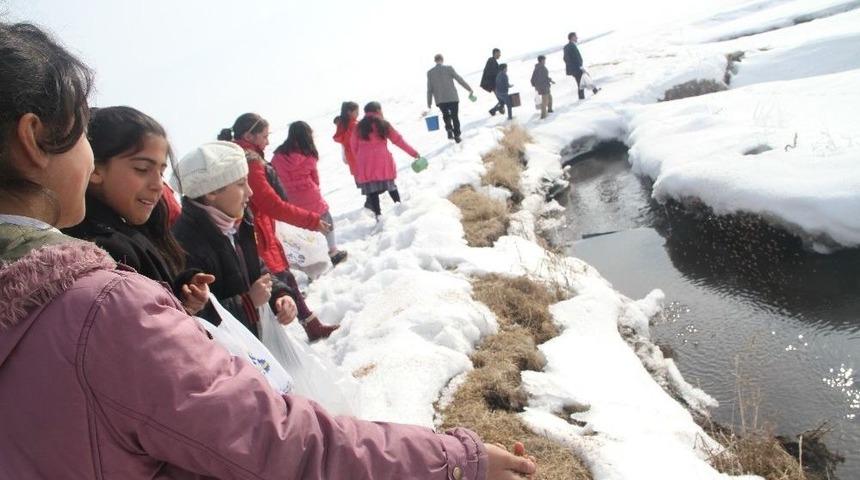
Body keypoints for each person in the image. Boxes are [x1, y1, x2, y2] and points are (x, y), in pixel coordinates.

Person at [0, 22, 538, 480]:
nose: (90, 156)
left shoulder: (66, 286)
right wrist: (455, 461)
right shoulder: (101, 307)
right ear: (33, 139)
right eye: (82, 133)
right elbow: (276, 441)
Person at [63, 106, 212, 316]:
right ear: (95, 169)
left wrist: (184, 291)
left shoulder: (136, 229)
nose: (158, 185)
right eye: (142, 169)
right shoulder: (103, 252)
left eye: (161, 172)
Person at [221, 113, 339, 340]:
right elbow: (270, 203)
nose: (267, 141)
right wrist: (311, 220)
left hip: (260, 229)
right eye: (264, 136)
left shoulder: (239, 156)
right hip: (255, 233)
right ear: (249, 136)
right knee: (274, 282)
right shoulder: (248, 161)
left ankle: (311, 324)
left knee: (285, 278)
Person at [171, 141, 298, 337]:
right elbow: (194, 316)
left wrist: (279, 294)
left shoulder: (236, 221)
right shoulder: (185, 243)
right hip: (228, 350)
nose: (250, 192)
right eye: (240, 184)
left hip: (254, 338)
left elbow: (256, 269)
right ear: (211, 191)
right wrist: (247, 303)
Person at [272, 121, 347, 265]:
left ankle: (309, 261)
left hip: (290, 198)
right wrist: (315, 189)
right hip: (310, 194)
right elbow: (315, 177)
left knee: (302, 229)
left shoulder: (278, 156)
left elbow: (275, 178)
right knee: (326, 220)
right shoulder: (308, 153)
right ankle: (333, 252)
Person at [351, 102, 421, 219]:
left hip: (365, 163)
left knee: (372, 191)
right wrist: (414, 153)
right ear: (378, 110)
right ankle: (400, 208)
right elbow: (398, 140)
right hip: (382, 160)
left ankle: (378, 216)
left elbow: (353, 147)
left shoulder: (358, 127)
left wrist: (362, 159)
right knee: (390, 186)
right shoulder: (383, 124)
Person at [426, 54, 473, 143]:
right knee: (455, 116)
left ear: (435, 61)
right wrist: (469, 89)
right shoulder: (449, 68)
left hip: (440, 99)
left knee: (446, 115)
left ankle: (449, 129)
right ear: (442, 59)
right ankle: (457, 136)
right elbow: (459, 79)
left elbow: (429, 89)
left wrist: (429, 103)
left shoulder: (430, 73)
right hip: (452, 97)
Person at [333, 101, 360, 183]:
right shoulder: (354, 125)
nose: (358, 114)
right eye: (356, 111)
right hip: (362, 160)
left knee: (364, 188)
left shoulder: (342, 126)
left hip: (352, 161)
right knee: (373, 187)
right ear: (349, 112)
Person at [481, 48, 507, 116]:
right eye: (499, 53)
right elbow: (492, 72)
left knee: (502, 100)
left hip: (493, 84)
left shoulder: (493, 61)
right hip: (492, 84)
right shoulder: (491, 60)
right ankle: (494, 110)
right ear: (495, 53)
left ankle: (498, 110)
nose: (500, 55)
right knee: (502, 100)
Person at [530, 55, 556, 119]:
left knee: (549, 97)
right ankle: (543, 116)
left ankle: (549, 109)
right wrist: (550, 80)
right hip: (543, 87)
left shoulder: (537, 67)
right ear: (542, 60)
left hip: (542, 86)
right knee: (545, 101)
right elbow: (544, 78)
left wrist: (535, 85)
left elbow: (533, 78)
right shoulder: (541, 68)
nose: (545, 61)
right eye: (544, 60)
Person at [563, 31, 585, 100]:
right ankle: (581, 98)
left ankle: (594, 90)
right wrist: (579, 66)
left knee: (583, 80)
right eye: (575, 36)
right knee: (580, 82)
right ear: (572, 37)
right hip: (576, 68)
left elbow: (565, 58)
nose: (577, 38)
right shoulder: (571, 46)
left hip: (574, 68)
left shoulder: (567, 47)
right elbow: (575, 58)